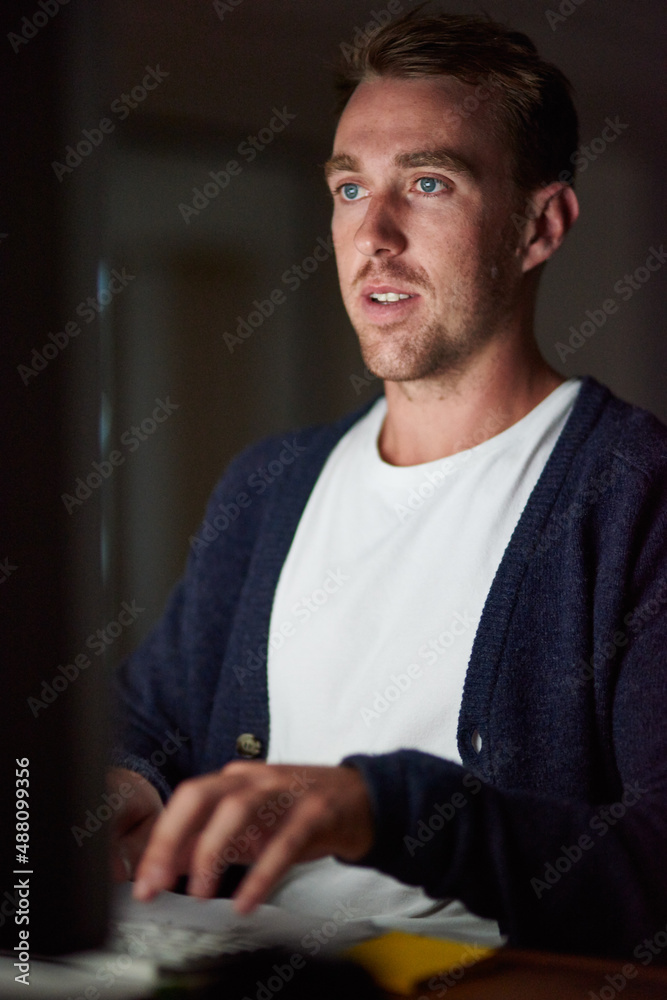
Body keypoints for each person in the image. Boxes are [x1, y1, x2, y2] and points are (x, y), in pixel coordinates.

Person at [110, 11, 667, 960]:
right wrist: (118, 791)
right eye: (347, 187)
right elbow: (149, 723)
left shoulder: (633, 497)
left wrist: (382, 809)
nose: (373, 233)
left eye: (427, 183)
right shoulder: (269, 485)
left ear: (540, 225)